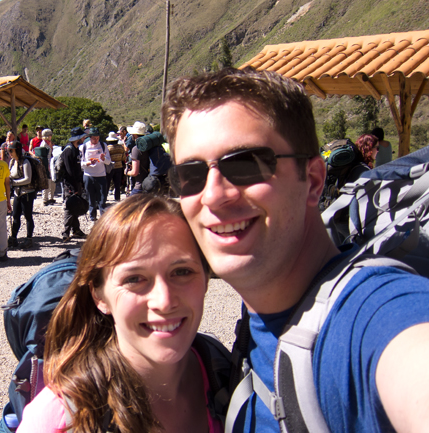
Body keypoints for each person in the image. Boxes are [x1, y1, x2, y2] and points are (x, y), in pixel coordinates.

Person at [163, 68, 429, 433]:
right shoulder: (257, 322)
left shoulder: (372, 316)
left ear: (314, 181)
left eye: (245, 164)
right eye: (191, 175)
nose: (212, 195)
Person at [17, 194, 221, 433]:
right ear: (99, 296)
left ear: (206, 279)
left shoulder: (227, 372)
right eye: (134, 278)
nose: (164, 302)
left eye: (182, 271)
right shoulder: (58, 420)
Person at [60, 127, 87, 242]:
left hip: (76, 183)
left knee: (75, 205)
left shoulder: (75, 149)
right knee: (70, 207)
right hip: (70, 184)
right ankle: (65, 233)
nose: (84, 138)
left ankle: (76, 230)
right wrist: (74, 186)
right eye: (82, 136)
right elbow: (69, 171)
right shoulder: (69, 150)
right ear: (78, 138)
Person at [8, 142, 36, 249]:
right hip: (17, 193)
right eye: (9, 150)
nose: (9, 153)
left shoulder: (25, 162)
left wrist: (14, 183)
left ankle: (29, 239)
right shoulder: (12, 162)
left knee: (28, 216)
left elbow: (28, 179)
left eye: (11, 150)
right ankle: (13, 238)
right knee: (15, 216)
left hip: (26, 193)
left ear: (17, 150)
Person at [80, 127, 111, 221]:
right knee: (90, 197)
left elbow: (109, 162)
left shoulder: (103, 145)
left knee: (102, 198)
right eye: (94, 138)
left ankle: (103, 216)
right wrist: (88, 163)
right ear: (90, 137)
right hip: (88, 175)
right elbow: (81, 164)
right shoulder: (83, 147)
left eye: (97, 138)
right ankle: (92, 216)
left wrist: (103, 159)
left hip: (101, 175)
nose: (96, 140)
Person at [124, 121, 149, 195]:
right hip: (151, 184)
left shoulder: (136, 149)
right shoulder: (150, 146)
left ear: (134, 134)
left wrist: (126, 172)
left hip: (140, 186)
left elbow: (135, 172)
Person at [36, 128, 55, 206]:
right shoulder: (44, 144)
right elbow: (45, 156)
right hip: (46, 164)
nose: (51, 137)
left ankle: (51, 198)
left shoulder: (49, 143)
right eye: (50, 135)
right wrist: (47, 166)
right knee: (46, 181)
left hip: (50, 163)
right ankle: (45, 199)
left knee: (51, 181)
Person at [106, 131, 125, 202]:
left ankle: (104, 198)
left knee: (107, 184)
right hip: (119, 167)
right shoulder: (121, 147)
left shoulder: (107, 148)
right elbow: (123, 158)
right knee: (117, 185)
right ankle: (117, 198)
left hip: (110, 168)